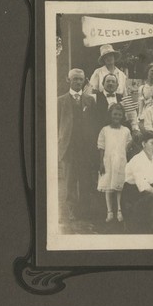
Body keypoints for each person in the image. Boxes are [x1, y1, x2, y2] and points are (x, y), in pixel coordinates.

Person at [58, 68, 98, 221]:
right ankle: (72, 210)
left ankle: (85, 209)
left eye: (81, 79)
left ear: (84, 81)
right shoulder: (60, 101)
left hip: (85, 147)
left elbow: (93, 123)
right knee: (70, 179)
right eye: (75, 79)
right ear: (69, 80)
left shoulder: (90, 100)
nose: (78, 82)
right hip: (69, 147)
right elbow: (57, 125)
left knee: (85, 178)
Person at [97, 104, 132, 222]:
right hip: (108, 161)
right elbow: (101, 147)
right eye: (115, 114)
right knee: (108, 185)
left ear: (122, 116)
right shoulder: (105, 130)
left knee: (119, 186)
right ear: (110, 115)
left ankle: (119, 210)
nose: (117, 117)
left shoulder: (126, 131)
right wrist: (101, 163)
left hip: (121, 161)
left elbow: (128, 146)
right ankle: (109, 211)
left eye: (119, 115)